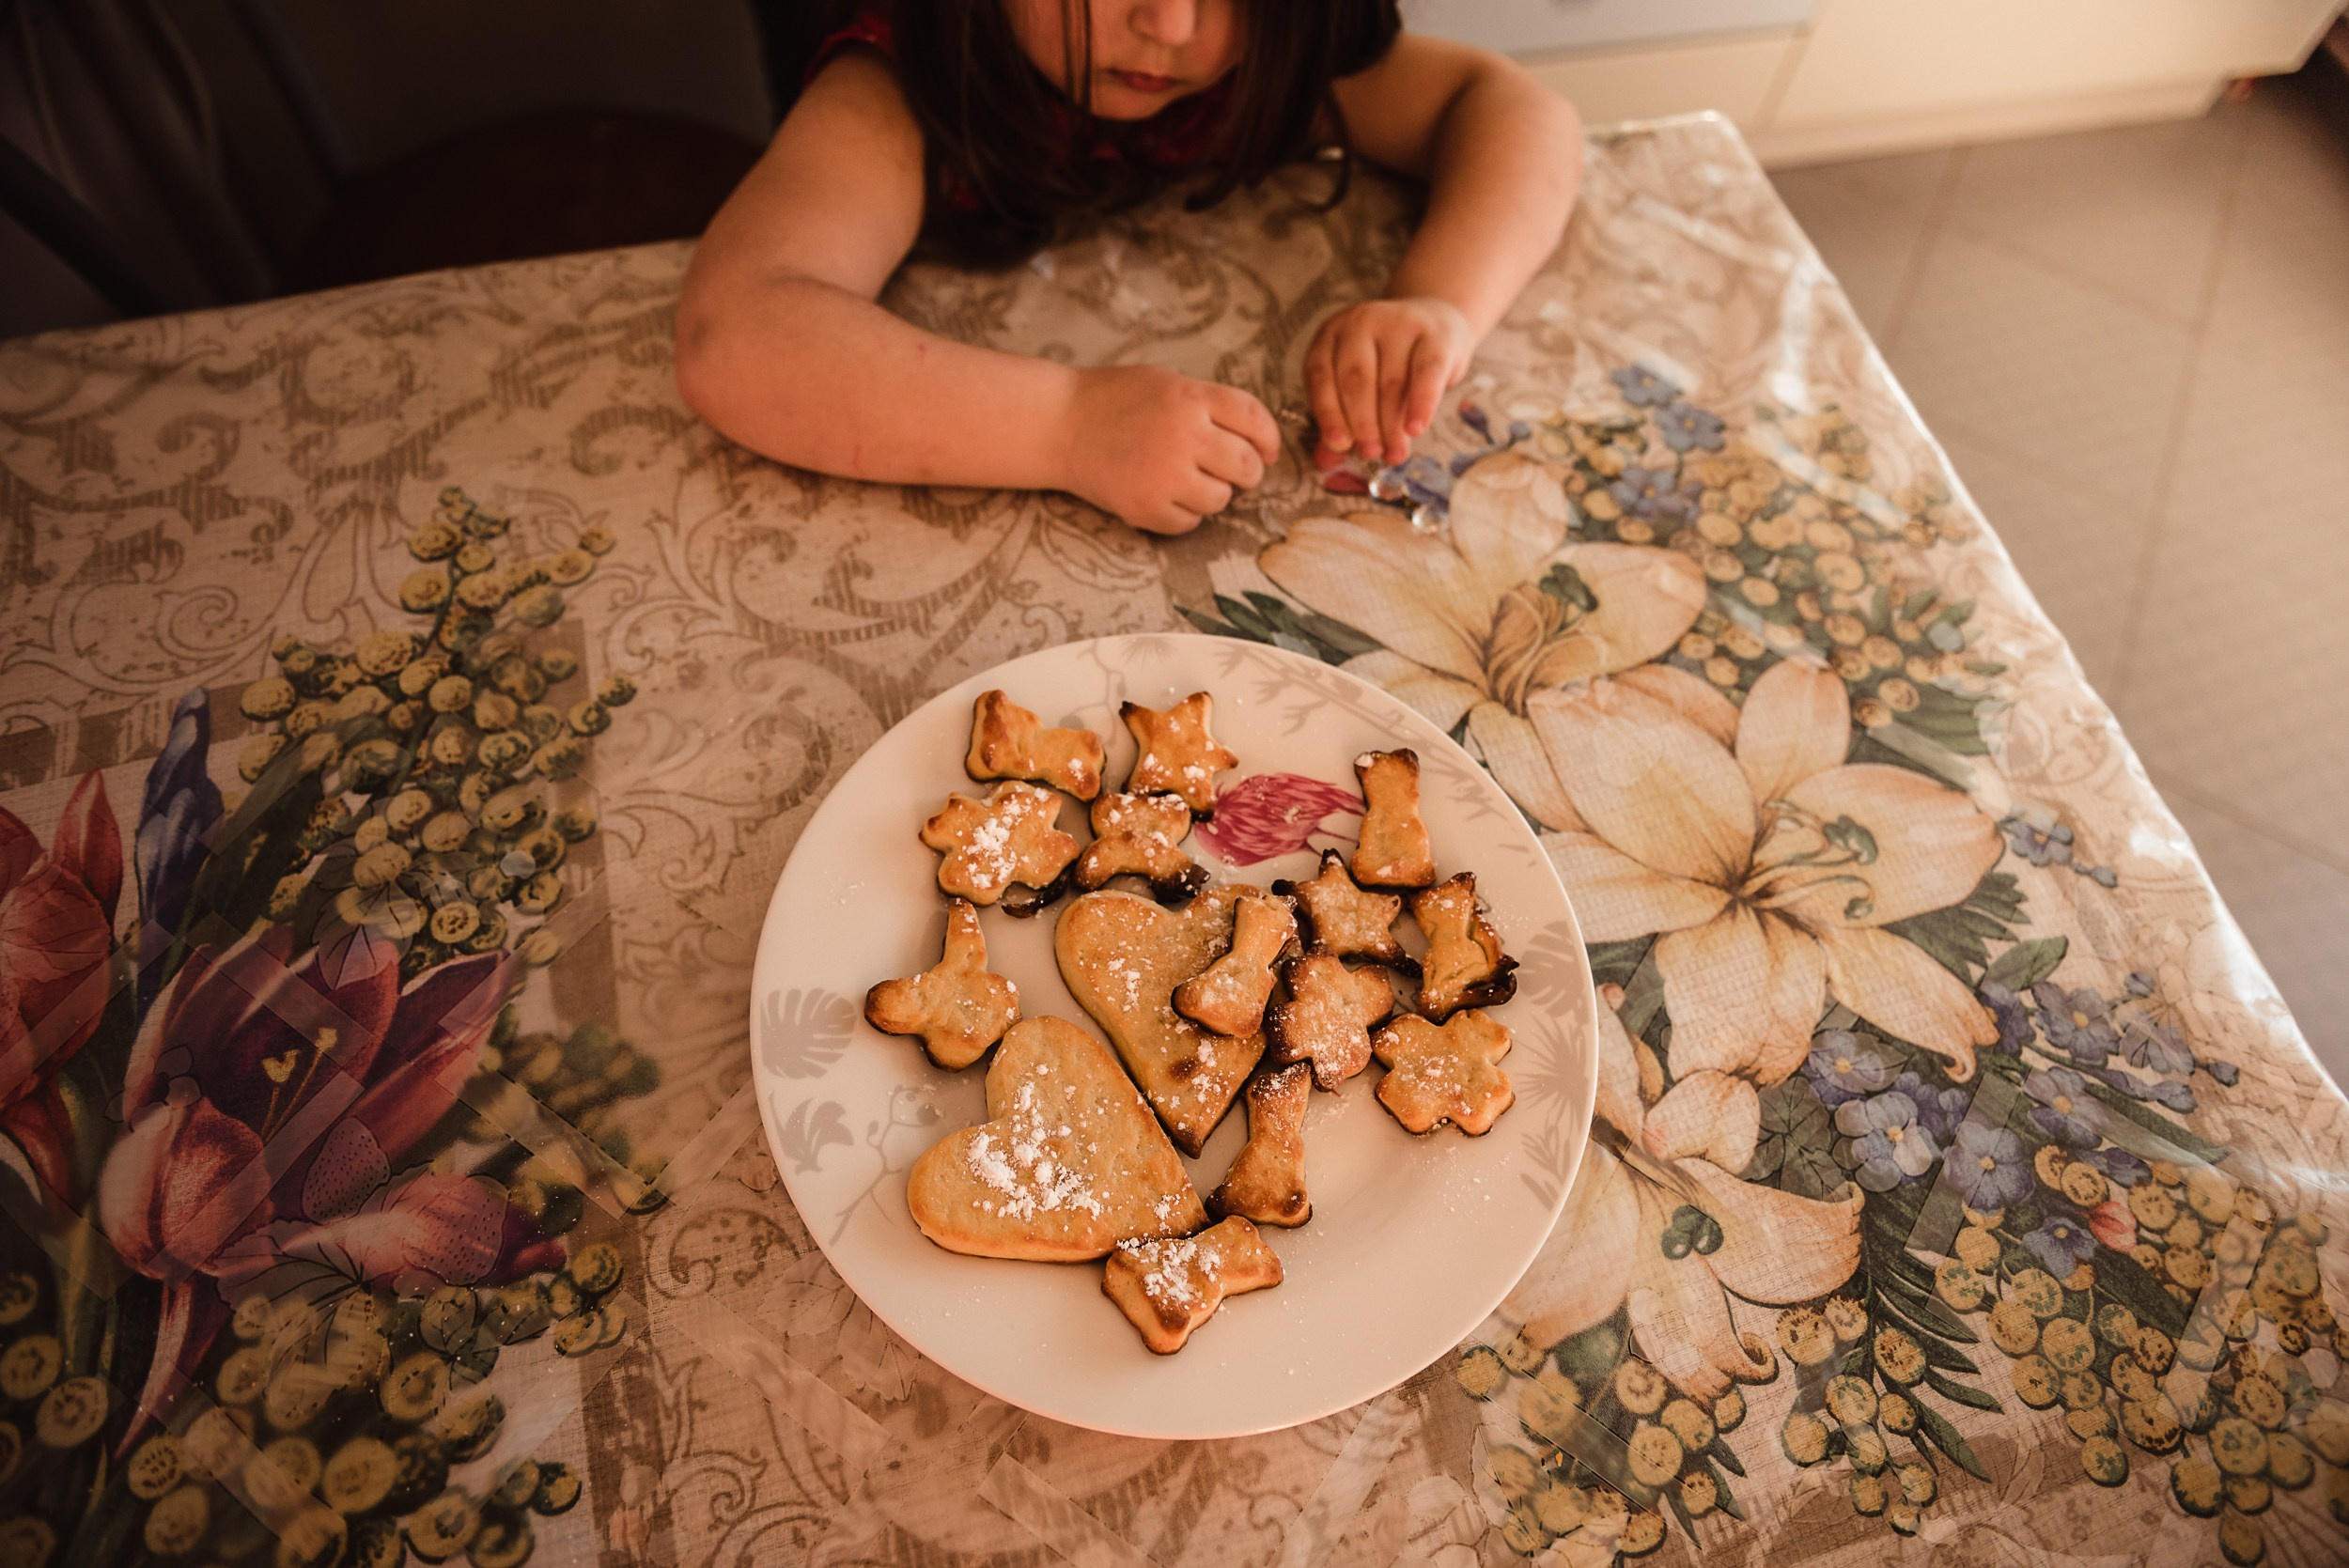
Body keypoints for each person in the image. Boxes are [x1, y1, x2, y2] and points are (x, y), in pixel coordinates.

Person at [677, 1, 1581, 535]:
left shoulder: (1263, 58)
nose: (1171, 26)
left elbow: (1518, 110)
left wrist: (1440, 299)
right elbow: (737, 336)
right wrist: (1068, 426)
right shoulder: (896, 85)